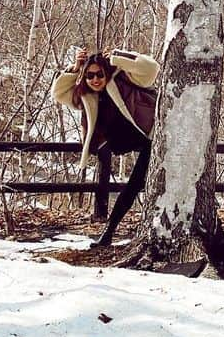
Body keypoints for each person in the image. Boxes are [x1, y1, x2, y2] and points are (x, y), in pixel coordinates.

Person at [51, 45, 159, 246]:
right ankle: (109, 231)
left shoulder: (124, 79)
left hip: (149, 137)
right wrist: (76, 68)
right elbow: (59, 93)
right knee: (117, 168)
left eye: (99, 74)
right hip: (122, 141)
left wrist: (119, 56)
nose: (95, 80)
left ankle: (109, 232)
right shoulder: (85, 94)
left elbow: (151, 69)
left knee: (133, 185)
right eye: (90, 76)